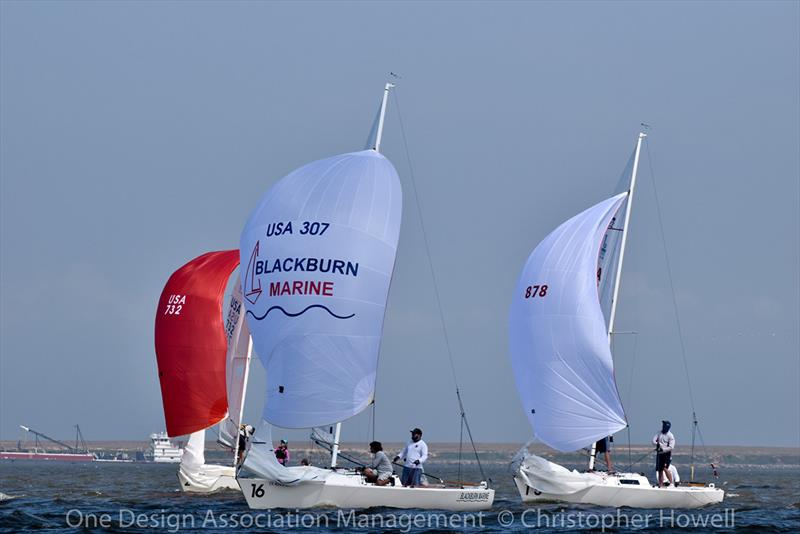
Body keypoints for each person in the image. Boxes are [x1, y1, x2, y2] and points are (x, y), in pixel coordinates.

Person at [652, 420, 675, 487]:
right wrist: (657, 444)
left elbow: (671, 447)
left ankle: (671, 483)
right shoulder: (659, 433)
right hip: (659, 454)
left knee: (665, 468)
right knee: (660, 470)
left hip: (666, 454)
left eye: (664, 425)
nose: (662, 426)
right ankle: (660, 484)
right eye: (662, 425)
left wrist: (663, 448)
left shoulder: (670, 436)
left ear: (667, 427)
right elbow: (653, 441)